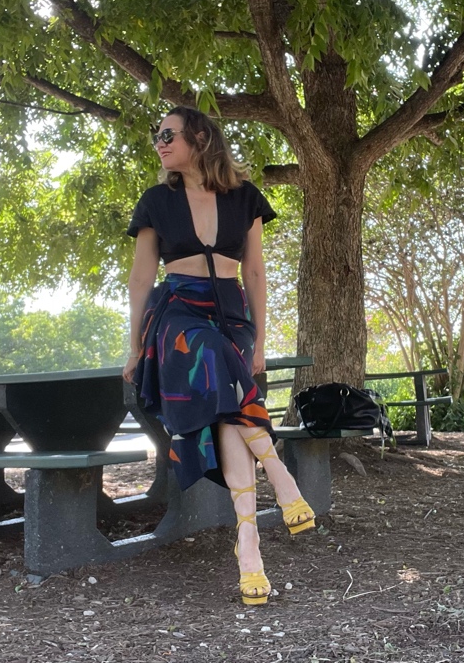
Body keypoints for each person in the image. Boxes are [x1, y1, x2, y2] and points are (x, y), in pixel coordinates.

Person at [122, 106, 314, 606]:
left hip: (232, 312)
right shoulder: (155, 202)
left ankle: (248, 547)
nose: (159, 142)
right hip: (178, 315)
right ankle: (281, 475)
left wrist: (262, 341)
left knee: (230, 415)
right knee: (211, 357)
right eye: (156, 135)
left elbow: (254, 273)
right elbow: (142, 277)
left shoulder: (246, 198)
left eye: (168, 134)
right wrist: (133, 342)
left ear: (200, 138)